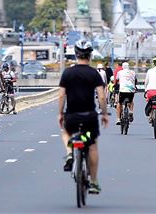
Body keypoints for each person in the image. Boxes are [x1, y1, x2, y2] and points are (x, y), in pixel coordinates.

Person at [58, 40, 108, 195]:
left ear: (76, 54)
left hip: (72, 116)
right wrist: (105, 114)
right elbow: (101, 97)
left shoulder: (67, 73)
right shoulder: (94, 73)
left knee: (66, 132)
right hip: (89, 117)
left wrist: (60, 113)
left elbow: (61, 95)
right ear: (90, 55)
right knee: (92, 145)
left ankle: (69, 154)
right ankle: (93, 182)